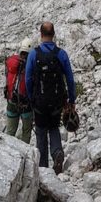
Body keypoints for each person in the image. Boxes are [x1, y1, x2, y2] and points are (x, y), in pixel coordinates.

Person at [25, 21, 76, 174]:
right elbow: (70, 78)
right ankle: (57, 152)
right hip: (56, 101)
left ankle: (43, 169)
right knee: (54, 127)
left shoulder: (34, 54)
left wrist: (30, 98)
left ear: (41, 35)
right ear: (53, 35)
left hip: (39, 102)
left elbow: (27, 78)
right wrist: (71, 100)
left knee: (41, 132)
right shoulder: (61, 54)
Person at [4, 38, 33, 143]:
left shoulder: (11, 63)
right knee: (26, 132)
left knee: (10, 132)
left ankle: (7, 153)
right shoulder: (31, 65)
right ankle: (25, 154)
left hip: (11, 101)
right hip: (26, 105)